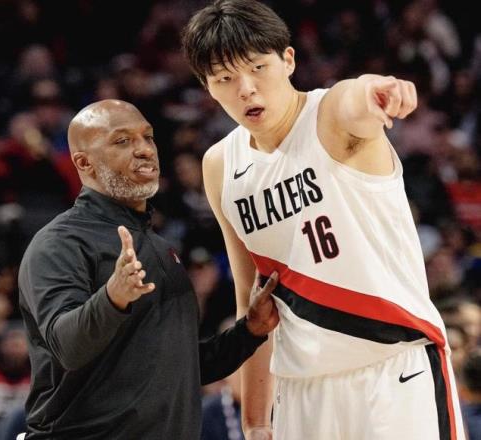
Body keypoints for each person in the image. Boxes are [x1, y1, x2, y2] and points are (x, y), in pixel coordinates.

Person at [181, 1, 465, 439]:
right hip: (300, 392)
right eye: (225, 78)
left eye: (258, 68)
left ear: (288, 60)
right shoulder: (220, 165)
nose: (246, 89)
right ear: (208, 87)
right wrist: (256, 421)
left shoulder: (328, 116)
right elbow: (251, 298)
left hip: (392, 371)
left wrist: (376, 89)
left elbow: (353, 97)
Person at [17, 99, 280, 439]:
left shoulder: (159, 248)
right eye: (122, 140)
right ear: (84, 162)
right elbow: (66, 346)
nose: (144, 149)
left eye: (148, 137)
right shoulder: (59, 243)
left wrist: (249, 332)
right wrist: (113, 298)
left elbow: (181, 366)